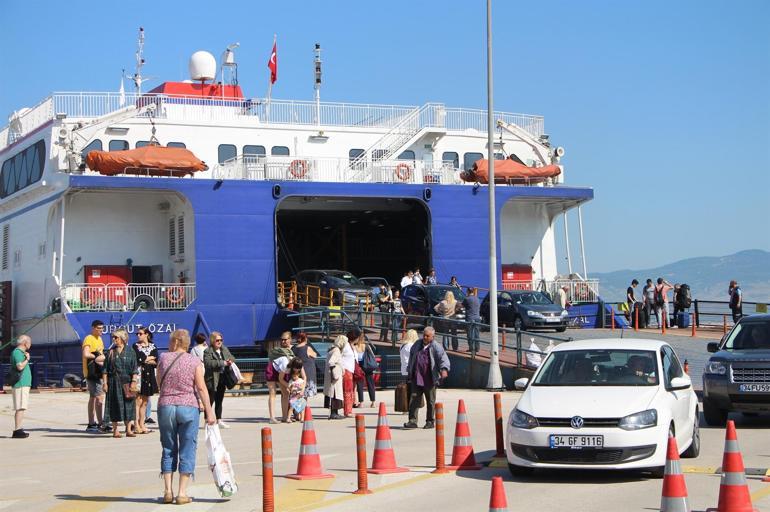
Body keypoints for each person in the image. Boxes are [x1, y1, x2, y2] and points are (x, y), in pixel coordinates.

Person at [157, 328, 216, 505]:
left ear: (176, 342)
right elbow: (201, 388)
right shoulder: (194, 361)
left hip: (166, 406)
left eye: (170, 341)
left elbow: (159, 382)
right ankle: (182, 493)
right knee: (187, 448)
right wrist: (209, 411)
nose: (169, 344)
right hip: (188, 406)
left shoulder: (163, 358)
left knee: (168, 447)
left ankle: (168, 491)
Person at [404, 327, 450, 429]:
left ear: (433, 337)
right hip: (417, 377)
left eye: (427, 336)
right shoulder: (417, 344)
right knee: (414, 399)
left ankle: (430, 421)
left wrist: (444, 369)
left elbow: (443, 358)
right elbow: (412, 357)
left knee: (430, 401)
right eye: (424, 335)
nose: (425, 337)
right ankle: (412, 421)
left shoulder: (436, 347)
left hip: (429, 378)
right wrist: (409, 371)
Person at [102, 329, 139, 438]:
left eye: (116, 337)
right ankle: (115, 430)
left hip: (127, 382)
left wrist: (134, 381)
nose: (114, 339)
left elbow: (134, 368)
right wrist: (105, 383)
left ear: (122, 338)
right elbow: (105, 370)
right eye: (113, 337)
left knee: (129, 405)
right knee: (114, 405)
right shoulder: (110, 352)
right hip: (113, 382)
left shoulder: (131, 351)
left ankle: (129, 430)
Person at [203, 332, 235, 429]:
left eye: (221, 340)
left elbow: (232, 357)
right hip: (212, 379)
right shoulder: (208, 351)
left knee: (219, 400)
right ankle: (207, 420)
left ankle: (219, 420)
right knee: (210, 400)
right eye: (217, 340)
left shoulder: (224, 349)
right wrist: (222, 363)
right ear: (213, 340)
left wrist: (230, 361)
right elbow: (208, 363)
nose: (219, 342)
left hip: (222, 378)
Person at [82, 320, 107, 433]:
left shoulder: (100, 339)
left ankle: (92, 423)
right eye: (99, 328)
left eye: (102, 328)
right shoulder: (89, 338)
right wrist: (96, 356)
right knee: (99, 397)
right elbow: (85, 354)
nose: (101, 330)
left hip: (98, 371)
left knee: (93, 397)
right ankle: (100, 423)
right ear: (93, 328)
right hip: (92, 373)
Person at [132, 327, 159, 434]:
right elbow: (138, 359)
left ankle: (142, 424)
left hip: (149, 374)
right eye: (137, 334)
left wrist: (145, 359)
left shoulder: (153, 346)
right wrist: (149, 358)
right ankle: (136, 424)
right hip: (139, 375)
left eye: (140, 333)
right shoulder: (135, 346)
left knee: (145, 401)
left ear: (146, 334)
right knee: (138, 400)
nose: (138, 335)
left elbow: (156, 360)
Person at [266, 332, 294, 424]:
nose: (283, 341)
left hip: (281, 370)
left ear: (290, 339)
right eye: (282, 339)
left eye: (285, 339)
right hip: (272, 369)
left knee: (286, 393)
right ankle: (272, 418)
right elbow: (281, 378)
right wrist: (289, 385)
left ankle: (285, 417)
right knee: (272, 393)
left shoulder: (292, 352)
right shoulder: (284, 357)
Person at [10, 335, 32, 438]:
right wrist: (27, 359)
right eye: (29, 342)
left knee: (21, 407)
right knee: (20, 407)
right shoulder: (17, 352)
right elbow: (19, 366)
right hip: (21, 384)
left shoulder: (20, 352)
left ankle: (18, 429)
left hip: (23, 384)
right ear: (25, 343)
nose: (30, 344)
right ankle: (17, 430)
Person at [324, 335, 347, 420]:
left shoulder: (331, 349)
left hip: (330, 377)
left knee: (332, 394)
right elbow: (331, 362)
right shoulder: (336, 350)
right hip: (334, 378)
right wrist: (335, 374)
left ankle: (335, 413)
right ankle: (334, 413)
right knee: (335, 394)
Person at [291, 332, 318, 400]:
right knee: (304, 395)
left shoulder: (293, 348)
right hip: (307, 375)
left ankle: (299, 406)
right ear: (305, 338)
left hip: (296, 374)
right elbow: (315, 355)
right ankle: (303, 407)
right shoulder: (307, 348)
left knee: (297, 395)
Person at [354, 337, 376, 408]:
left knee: (359, 384)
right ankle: (373, 402)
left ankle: (361, 403)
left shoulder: (354, 347)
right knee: (370, 384)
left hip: (359, 366)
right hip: (367, 365)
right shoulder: (367, 346)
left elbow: (355, 357)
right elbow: (372, 355)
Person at [341, 329, 359, 417]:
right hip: (346, 370)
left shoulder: (352, 346)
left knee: (351, 391)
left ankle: (349, 409)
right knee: (347, 391)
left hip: (351, 370)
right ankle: (347, 411)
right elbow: (340, 356)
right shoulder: (346, 346)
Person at [463, 288, 481, 352]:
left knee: (469, 334)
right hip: (477, 318)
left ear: (468, 291)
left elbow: (462, 305)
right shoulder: (477, 299)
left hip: (470, 318)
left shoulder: (467, 299)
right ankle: (477, 348)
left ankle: (471, 348)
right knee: (477, 334)